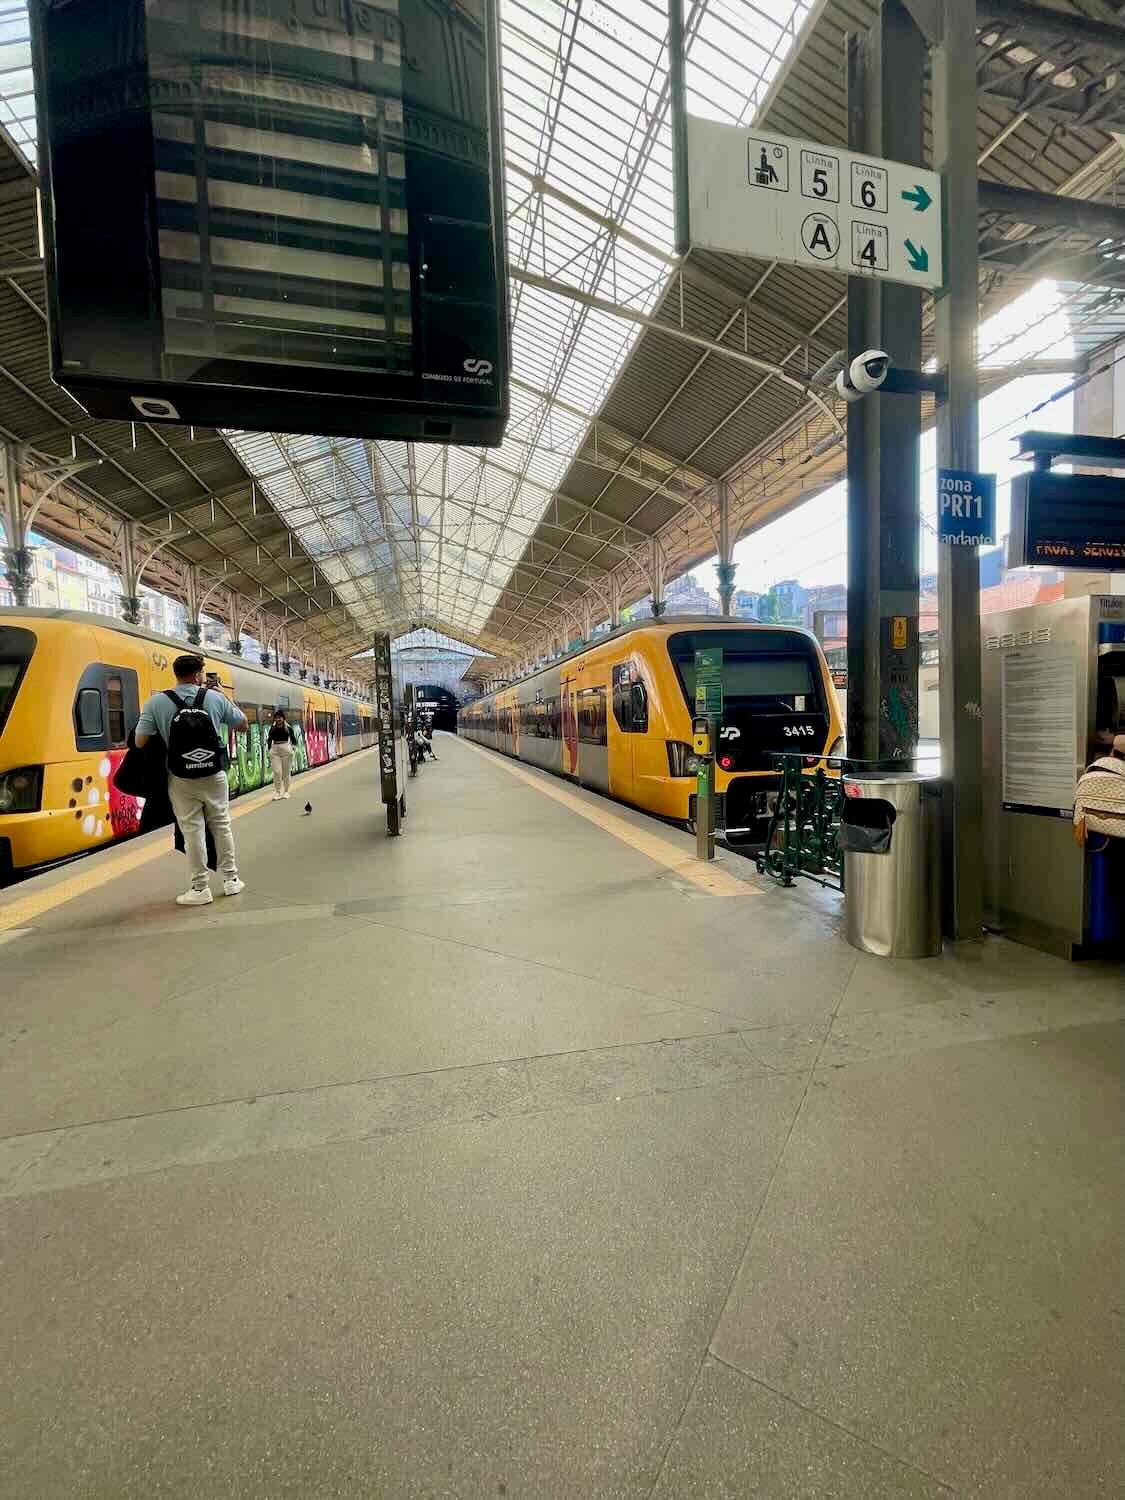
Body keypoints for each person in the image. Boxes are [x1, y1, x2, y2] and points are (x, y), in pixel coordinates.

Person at [135, 653, 248, 906]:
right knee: (221, 824)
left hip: (180, 776)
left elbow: (139, 741)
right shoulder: (215, 698)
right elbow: (242, 724)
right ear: (198, 675)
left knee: (192, 830)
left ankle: (200, 889)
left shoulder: (156, 702)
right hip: (214, 773)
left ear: (175, 674)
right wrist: (220, 694)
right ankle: (231, 880)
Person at [268, 709, 295, 800]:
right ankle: (277, 792)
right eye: (276, 718)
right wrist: (269, 750)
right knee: (277, 772)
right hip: (275, 750)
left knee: (286, 773)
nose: (278, 719)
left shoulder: (288, 728)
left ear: (283, 718)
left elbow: (294, 739)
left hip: (286, 750)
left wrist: (293, 748)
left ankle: (286, 791)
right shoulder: (273, 727)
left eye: (280, 717)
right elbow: (269, 739)